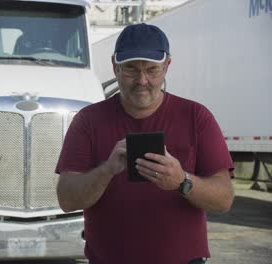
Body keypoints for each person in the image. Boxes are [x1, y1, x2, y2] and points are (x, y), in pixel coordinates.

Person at [55, 23, 235, 264]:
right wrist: (107, 170)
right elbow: (67, 200)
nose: (142, 80)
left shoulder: (196, 117)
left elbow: (224, 199)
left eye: (152, 70)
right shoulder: (88, 120)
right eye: (131, 69)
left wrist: (182, 181)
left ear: (167, 65)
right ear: (114, 66)